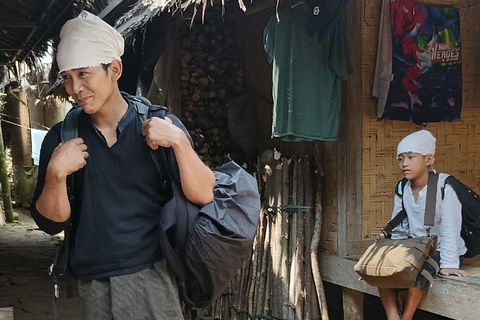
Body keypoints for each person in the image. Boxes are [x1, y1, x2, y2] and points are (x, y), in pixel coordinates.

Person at [30, 11, 215, 320]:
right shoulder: (61, 138)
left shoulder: (159, 125)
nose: (74, 88)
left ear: (114, 69)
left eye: (84, 74)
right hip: (91, 280)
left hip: (153, 273)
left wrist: (181, 144)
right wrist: (55, 174)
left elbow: (203, 195)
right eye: (67, 78)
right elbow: (52, 224)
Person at [378, 130, 468, 320]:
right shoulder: (402, 187)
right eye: (400, 158)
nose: (404, 163)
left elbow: (451, 226)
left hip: (439, 248)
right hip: (415, 245)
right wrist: (391, 254)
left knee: (418, 273)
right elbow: (399, 224)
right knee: (382, 270)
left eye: (411, 157)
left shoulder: (443, 186)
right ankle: (393, 317)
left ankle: (407, 317)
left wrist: (449, 263)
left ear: (428, 160)